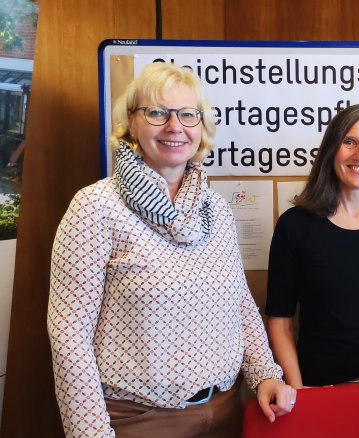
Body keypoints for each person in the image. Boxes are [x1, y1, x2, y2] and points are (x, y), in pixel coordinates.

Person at [46, 62, 295, 437]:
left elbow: (241, 306)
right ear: (132, 123)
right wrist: (90, 433)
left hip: (228, 411)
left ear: (201, 126)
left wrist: (265, 374)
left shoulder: (215, 209)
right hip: (140, 421)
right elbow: (68, 336)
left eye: (187, 114)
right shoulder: (96, 207)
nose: (175, 126)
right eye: (158, 113)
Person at [265, 104, 359, 436]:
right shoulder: (295, 226)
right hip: (322, 393)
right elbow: (280, 322)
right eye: (349, 142)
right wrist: (300, 391)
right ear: (331, 150)